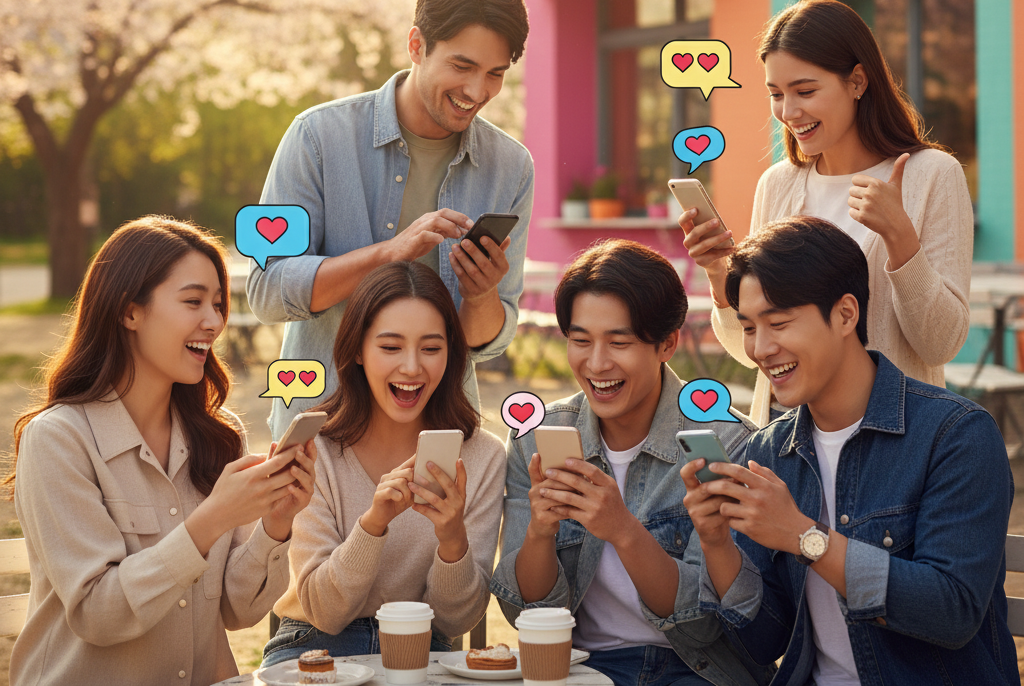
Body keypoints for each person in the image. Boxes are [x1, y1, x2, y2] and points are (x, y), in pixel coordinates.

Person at [682, 216, 1017, 686]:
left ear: (845, 314)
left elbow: (950, 612)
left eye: (778, 323)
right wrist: (717, 544)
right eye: (749, 328)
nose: (761, 348)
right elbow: (763, 644)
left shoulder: (956, 436)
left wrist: (803, 536)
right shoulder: (768, 452)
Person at [6, 216, 316, 686]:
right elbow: (97, 614)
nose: (213, 322)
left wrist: (276, 524)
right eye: (193, 302)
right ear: (130, 311)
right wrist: (212, 518)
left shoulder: (220, 435)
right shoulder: (58, 440)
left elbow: (237, 611)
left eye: (217, 304)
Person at [250, 0, 534, 439]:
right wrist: (386, 255)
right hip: (321, 430)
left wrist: (481, 295)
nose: (477, 92)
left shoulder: (511, 166)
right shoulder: (316, 137)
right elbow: (267, 290)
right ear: (417, 45)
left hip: (438, 437)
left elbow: (486, 342)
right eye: (462, 67)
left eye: (495, 74)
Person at [680, 0, 973, 425]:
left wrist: (899, 238)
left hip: (891, 441)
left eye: (805, 91)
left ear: (857, 81)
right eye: (776, 94)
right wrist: (718, 272)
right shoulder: (778, 184)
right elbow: (750, 352)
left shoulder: (932, 175)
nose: (788, 112)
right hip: (786, 440)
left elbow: (940, 344)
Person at [491, 240, 771, 686]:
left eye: (618, 342)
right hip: (581, 667)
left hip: (695, 669)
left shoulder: (726, 443)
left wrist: (621, 529)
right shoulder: (536, 440)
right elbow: (529, 615)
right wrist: (540, 533)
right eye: (580, 341)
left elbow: (704, 627)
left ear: (667, 344)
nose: (597, 363)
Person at [262, 261, 506, 667]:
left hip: (425, 652)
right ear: (357, 349)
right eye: (390, 347)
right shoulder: (313, 449)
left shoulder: (482, 456)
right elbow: (325, 611)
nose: (411, 367)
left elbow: (455, 620)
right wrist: (373, 524)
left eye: (431, 348)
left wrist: (452, 538)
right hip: (315, 645)